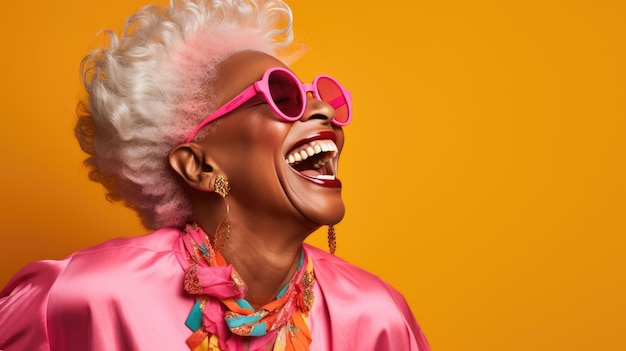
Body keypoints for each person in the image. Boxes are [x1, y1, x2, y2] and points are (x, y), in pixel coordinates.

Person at [0, 0, 430, 349]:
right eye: (283, 97)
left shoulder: (377, 318)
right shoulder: (82, 299)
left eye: (320, 98)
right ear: (199, 166)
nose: (321, 111)